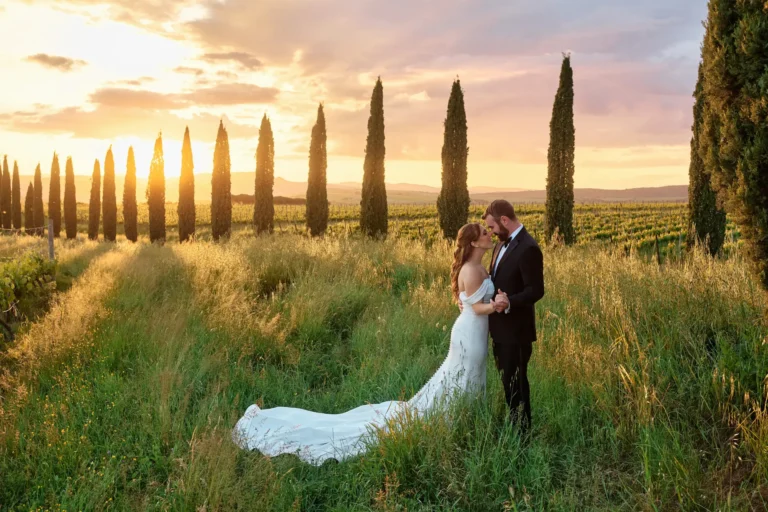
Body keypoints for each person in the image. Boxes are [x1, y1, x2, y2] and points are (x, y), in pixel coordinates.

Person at [232, 223, 498, 465]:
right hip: (470, 332)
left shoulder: (479, 267)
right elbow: (475, 306)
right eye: (485, 234)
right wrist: (497, 305)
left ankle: (463, 420)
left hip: (472, 331)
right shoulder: (472, 270)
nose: (489, 235)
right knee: (461, 377)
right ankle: (454, 422)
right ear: (474, 243)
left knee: (463, 377)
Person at [483, 199, 544, 436]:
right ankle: (514, 424)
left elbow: (536, 290)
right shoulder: (500, 245)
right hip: (499, 328)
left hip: (517, 331)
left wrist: (510, 301)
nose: (491, 232)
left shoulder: (529, 247)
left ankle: (522, 435)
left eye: (493, 227)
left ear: (505, 221)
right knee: (507, 381)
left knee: (516, 384)